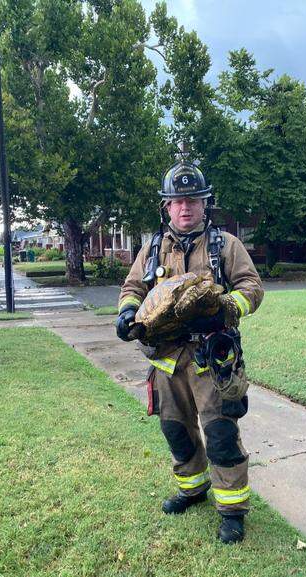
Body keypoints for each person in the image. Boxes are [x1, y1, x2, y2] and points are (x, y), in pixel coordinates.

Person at [115, 160, 264, 544]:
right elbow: (132, 287)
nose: (185, 208)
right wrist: (128, 311)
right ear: (167, 206)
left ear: (204, 204)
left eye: (193, 200)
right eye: (178, 201)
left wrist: (226, 307)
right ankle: (192, 489)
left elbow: (252, 288)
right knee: (176, 432)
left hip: (212, 361)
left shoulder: (226, 246)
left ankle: (231, 510)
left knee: (220, 434)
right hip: (167, 361)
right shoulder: (152, 248)